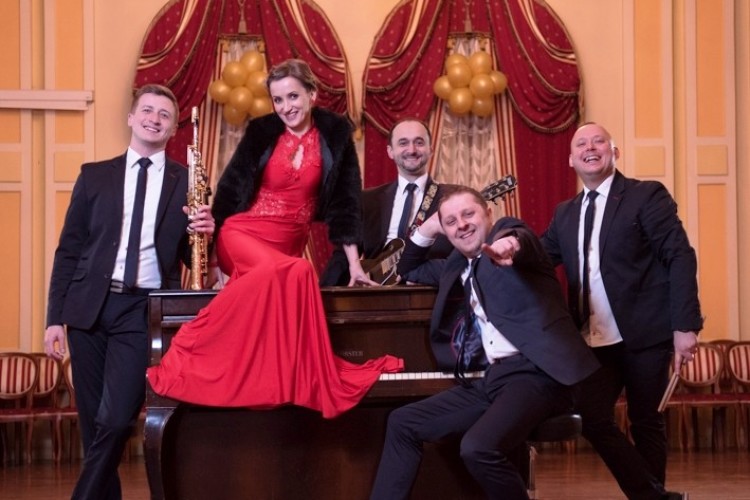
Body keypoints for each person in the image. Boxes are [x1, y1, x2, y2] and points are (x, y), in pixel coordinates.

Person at [146, 59, 403, 417]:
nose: (285, 107)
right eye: (278, 100)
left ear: (312, 94)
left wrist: (355, 266)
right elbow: (230, 191)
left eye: (293, 96)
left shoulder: (335, 135)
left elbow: (345, 201)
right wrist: (215, 261)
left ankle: (280, 380)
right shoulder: (262, 131)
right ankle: (193, 343)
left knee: (292, 271)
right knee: (298, 271)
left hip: (286, 244)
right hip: (242, 232)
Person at [370, 186, 599, 500]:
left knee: (478, 448)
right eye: (451, 221)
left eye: (469, 214)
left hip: (539, 373)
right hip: (497, 378)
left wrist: (508, 244)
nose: (461, 224)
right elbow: (407, 268)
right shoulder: (455, 265)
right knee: (403, 422)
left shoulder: (508, 236)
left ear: (488, 214)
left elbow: (520, 239)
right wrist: (429, 227)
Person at [43, 84, 215, 500]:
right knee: (93, 425)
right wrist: (54, 319)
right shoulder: (94, 176)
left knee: (117, 420)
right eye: (148, 110)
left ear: (172, 128)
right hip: (88, 308)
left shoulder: (186, 181)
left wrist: (207, 233)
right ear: (131, 117)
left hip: (142, 309)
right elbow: (69, 251)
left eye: (164, 115)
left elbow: (194, 260)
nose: (154, 119)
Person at [540, 122, 702, 500]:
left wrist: (685, 325)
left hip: (644, 334)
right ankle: (652, 495)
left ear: (614, 152)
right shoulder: (565, 213)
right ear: (570, 160)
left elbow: (679, 256)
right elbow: (539, 259)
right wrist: (503, 246)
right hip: (592, 339)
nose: (590, 148)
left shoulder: (645, 196)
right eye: (581, 144)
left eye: (599, 141)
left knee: (646, 421)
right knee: (591, 417)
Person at [320, 118, 454, 286]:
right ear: (390, 151)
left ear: (431, 150)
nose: (412, 150)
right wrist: (322, 293)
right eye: (403, 143)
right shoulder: (366, 200)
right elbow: (343, 255)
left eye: (419, 142)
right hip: (378, 292)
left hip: (430, 290)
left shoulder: (452, 198)